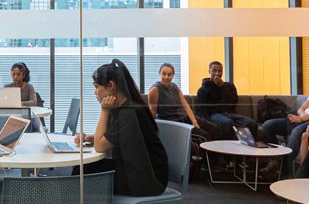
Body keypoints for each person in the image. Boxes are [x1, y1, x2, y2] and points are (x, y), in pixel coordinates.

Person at [75, 59, 168, 196]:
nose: (95, 93)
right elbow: (114, 136)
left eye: (96, 87)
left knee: (83, 174)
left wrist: (104, 110)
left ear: (110, 86)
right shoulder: (124, 107)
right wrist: (90, 137)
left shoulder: (128, 113)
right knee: (83, 169)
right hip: (139, 170)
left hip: (148, 180)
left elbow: (100, 146)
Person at [147, 62, 217, 140]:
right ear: (159, 74)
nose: (166, 77)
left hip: (185, 118)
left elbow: (186, 106)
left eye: (169, 74)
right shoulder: (155, 89)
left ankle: (217, 151)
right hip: (174, 124)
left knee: (214, 129)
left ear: (173, 75)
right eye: (164, 74)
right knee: (205, 136)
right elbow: (152, 113)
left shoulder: (174, 86)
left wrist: (194, 122)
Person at [196, 60, 258, 140]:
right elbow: (202, 110)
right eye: (214, 70)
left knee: (252, 123)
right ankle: (227, 149)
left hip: (231, 113)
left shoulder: (229, 86)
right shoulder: (203, 89)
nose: (217, 73)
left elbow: (233, 102)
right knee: (227, 123)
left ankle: (249, 147)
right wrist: (209, 123)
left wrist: (222, 87)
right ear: (209, 71)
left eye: (220, 71)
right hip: (214, 115)